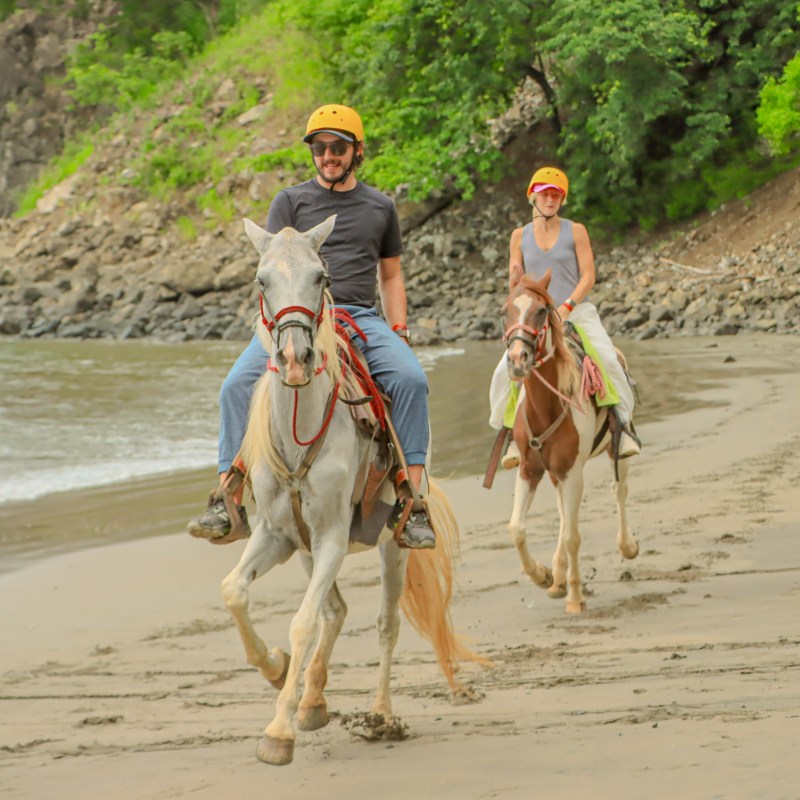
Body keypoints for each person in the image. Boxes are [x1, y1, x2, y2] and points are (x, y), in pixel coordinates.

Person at [187, 104, 436, 549]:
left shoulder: (381, 207)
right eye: (320, 148)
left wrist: (399, 332)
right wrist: (278, 323)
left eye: (337, 147)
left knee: (411, 380)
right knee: (233, 388)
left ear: (357, 152)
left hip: (357, 316)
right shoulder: (290, 201)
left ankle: (413, 502)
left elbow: (391, 274)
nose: (327, 156)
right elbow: (274, 265)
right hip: (295, 319)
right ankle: (227, 499)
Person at [489, 166, 641, 467]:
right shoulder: (519, 236)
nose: (550, 200)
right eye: (545, 194)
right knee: (502, 372)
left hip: (576, 312)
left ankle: (623, 427)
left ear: (562, 200)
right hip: (536, 316)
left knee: (608, 360)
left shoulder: (576, 231)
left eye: (556, 195)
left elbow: (588, 277)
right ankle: (508, 434)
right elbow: (514, 280)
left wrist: (567, 306)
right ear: (532, 196)